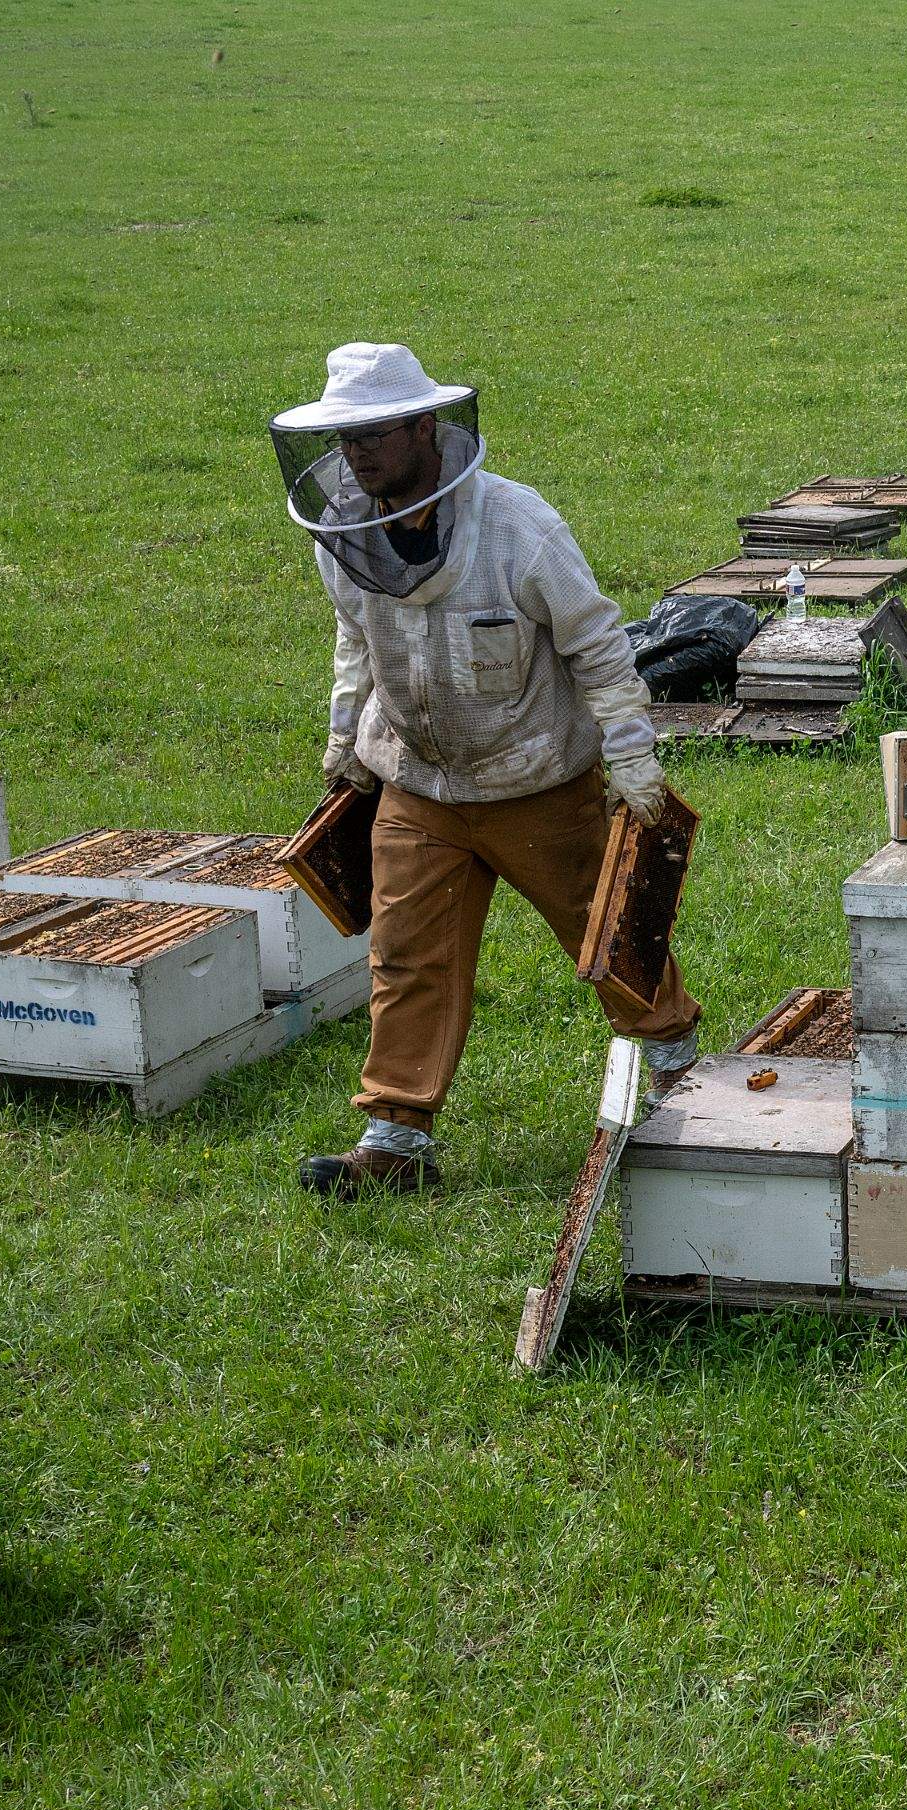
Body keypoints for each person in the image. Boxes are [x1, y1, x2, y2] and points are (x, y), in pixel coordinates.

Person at [268, 341, 700, 1199]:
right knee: (404, 957)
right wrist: (342, 744)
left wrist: (633, 761)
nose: (357, 456)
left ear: (427, 426)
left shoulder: (518, 527)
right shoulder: (343, 536)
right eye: (346, 439)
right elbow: (357, 644)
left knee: (613, 935)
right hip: (417, 784)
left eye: (376, 435)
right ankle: (394, 1141)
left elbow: (599, 647)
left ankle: (682, 1086)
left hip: (537, 782)